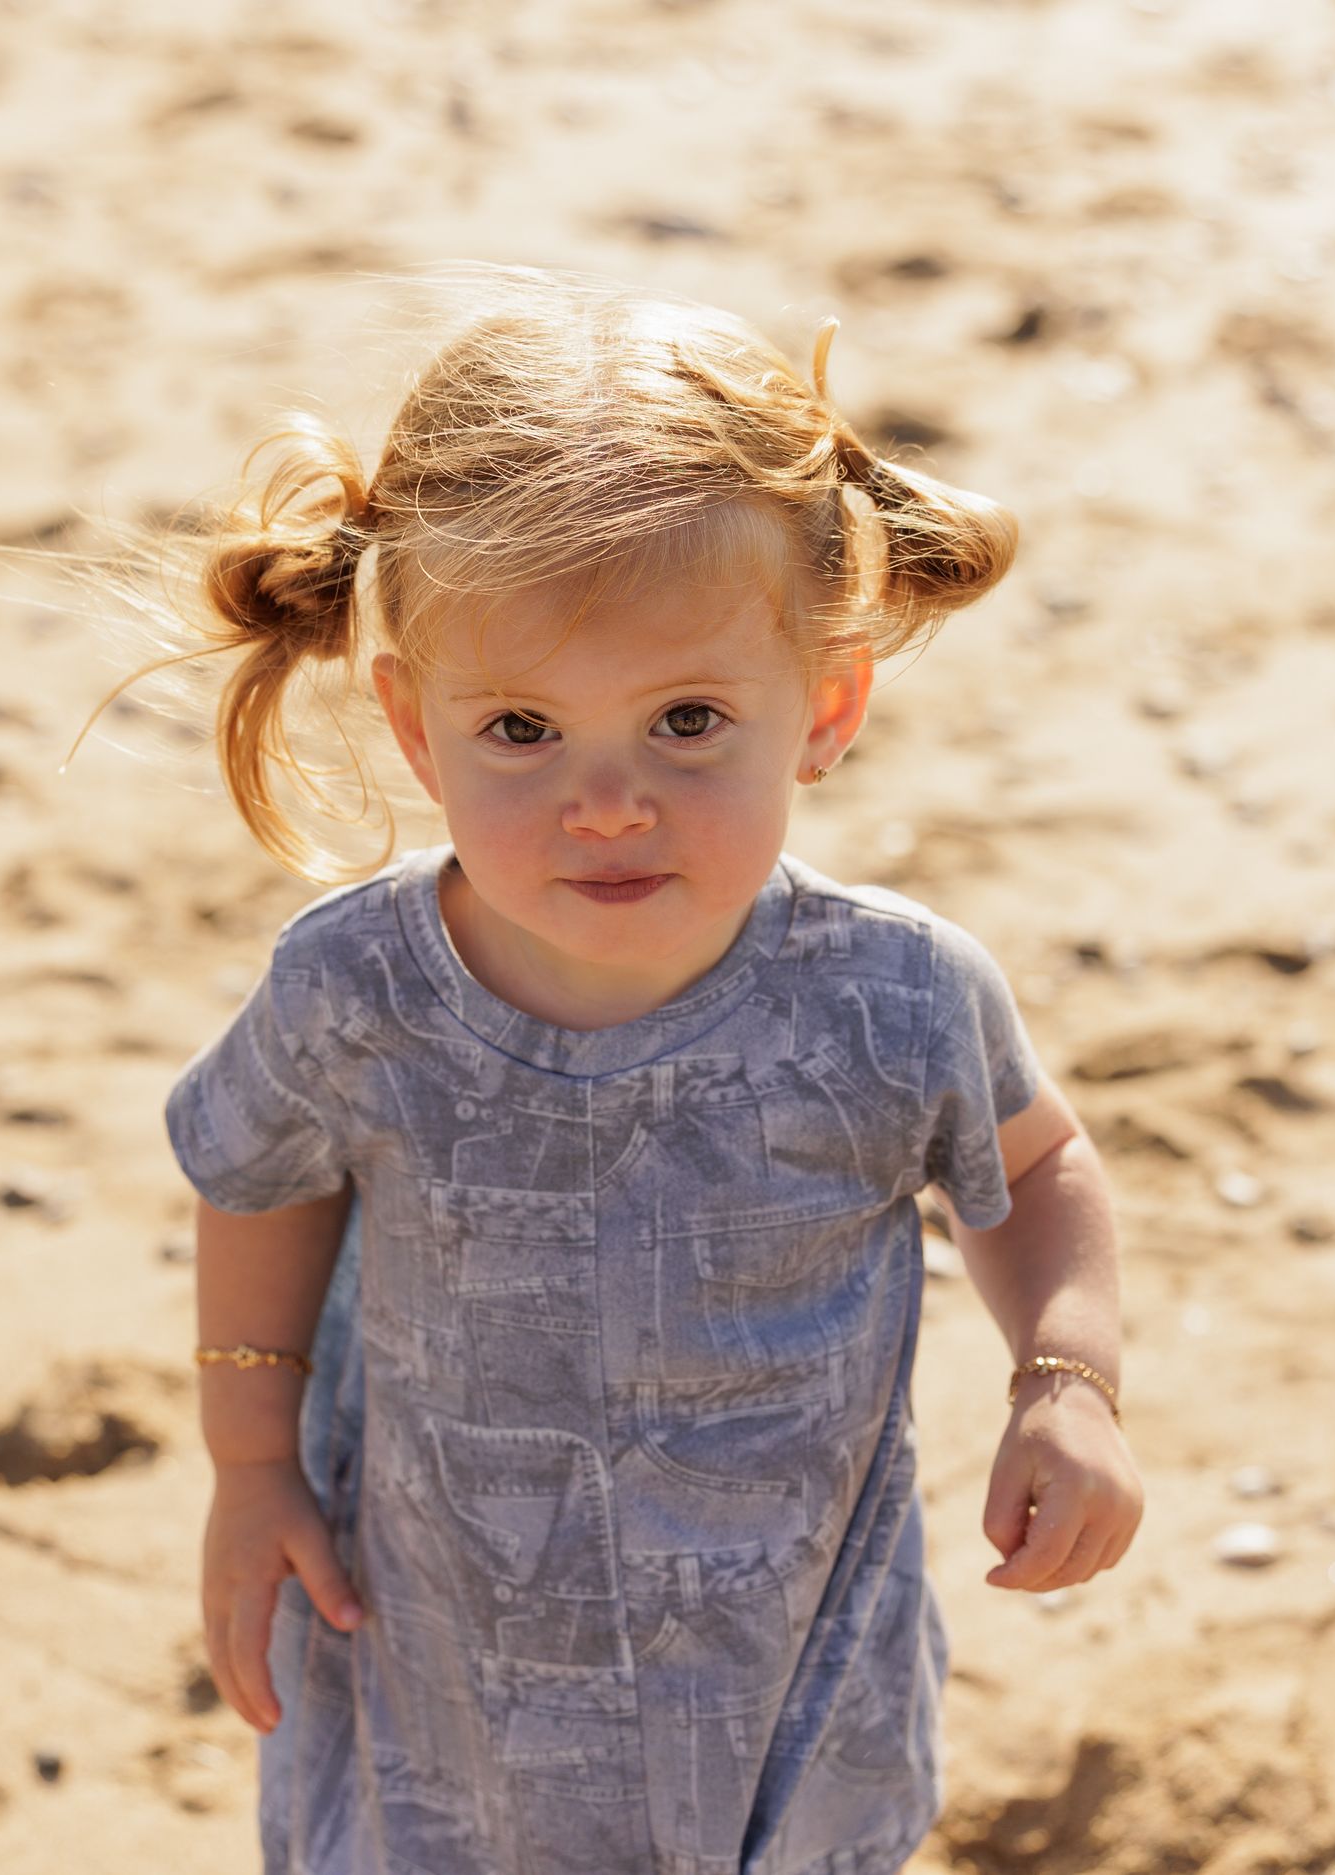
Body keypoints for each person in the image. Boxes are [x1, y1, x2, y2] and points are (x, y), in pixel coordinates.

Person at [96, 266, 1141, 1875]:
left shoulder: (888, 997)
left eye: (687, 721)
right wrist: (251, 1466)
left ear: (828, 702)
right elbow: (263, 1181)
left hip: (782, 1664)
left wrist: (1066, 1383)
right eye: (521, 730)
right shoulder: (361, 988)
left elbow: (1042, 1170)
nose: (606, 802)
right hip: (443, 1648)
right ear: (415, 728)